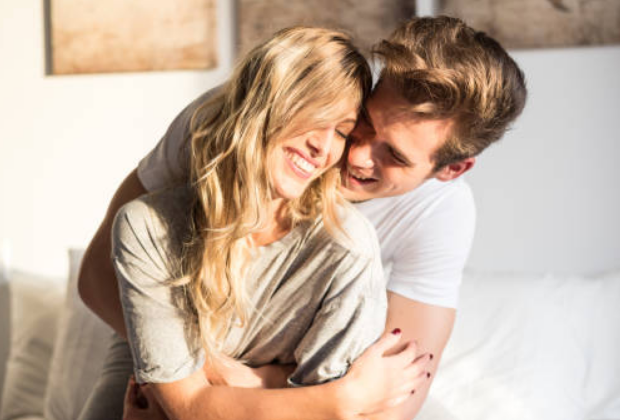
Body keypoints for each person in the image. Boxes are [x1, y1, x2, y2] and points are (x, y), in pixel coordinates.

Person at [79, 16, 527, 420]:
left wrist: (255, 384)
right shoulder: (237, 121)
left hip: (306, 363)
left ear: (452, 169)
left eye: (394, 155)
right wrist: (200, 375)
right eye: (365, 123)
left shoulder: (438, 216)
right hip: (170, 325)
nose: (357, 155)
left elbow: (389, 398)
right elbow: (97, 278)